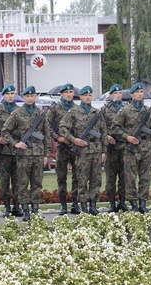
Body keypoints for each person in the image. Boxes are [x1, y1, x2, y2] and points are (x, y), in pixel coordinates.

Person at [2, 86, 51, 221]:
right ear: (23, 97)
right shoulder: (17, 114)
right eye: (27, 96)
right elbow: (5, 131)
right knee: (22, 183)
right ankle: (25, 211)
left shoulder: (40, 113)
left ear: (35, 97)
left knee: (37, 182)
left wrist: (47, 154)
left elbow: (47, 134)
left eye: (32, 96)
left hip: (38, 153)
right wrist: (15, 143)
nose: (30, 98)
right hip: (23, 154)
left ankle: (35, 209)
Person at [60, 86, 106, 214]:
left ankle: (93, 205)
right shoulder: (74, 112)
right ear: (80, 97)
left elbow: (103, 132)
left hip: (96, 150)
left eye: (90, 95)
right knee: (82, 179)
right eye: (85, 95)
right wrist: (73, 140)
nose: (88, 97)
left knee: (96, 179)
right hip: (82, 151)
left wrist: (104, 151)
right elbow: (62, 127)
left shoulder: (97, 113)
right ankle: (84, 206)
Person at [112, 82, 151, 213]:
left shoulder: (148, 111)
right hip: (131, 149)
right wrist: (127, 137)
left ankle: (143, 203)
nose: (139, 94)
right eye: (137, 92)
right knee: (130, 178)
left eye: (141, 92)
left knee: (145, 177)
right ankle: (133, 203)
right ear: (131, 95)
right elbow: (115, 128)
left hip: (146, 148)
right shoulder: (125, 111)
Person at [48, 83, 80, 214]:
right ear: (61, 94)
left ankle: (75, 203)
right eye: (66, 92)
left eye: (71, 92)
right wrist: (57, 137)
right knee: (61, 177)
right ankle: (63, 204)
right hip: (62, 147)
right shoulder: (55, 109)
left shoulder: (77, 108)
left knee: (77, 176)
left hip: (75, 147)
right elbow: (47, 126)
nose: (69, 94)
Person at [0, 84, 22, 217]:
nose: (10, 96)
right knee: (4, 180)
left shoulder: (19, 111)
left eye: (12, 94)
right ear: (3, 95)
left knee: (18, 180)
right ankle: (6, 206)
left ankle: (17, 206)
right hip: (3, 150)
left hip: (17, 151)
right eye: (7, 94)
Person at [103, 84, 128, 212]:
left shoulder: (126, 109)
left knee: (124, 176)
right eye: (116, 93)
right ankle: (112, 203)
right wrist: (106, 136)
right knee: (111, 177)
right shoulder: (105, 109)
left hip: (124, 146)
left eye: (120, 92)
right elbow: (99, 126)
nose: (118, 94)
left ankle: (122, 201)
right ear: (111, 94)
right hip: (111, 148)